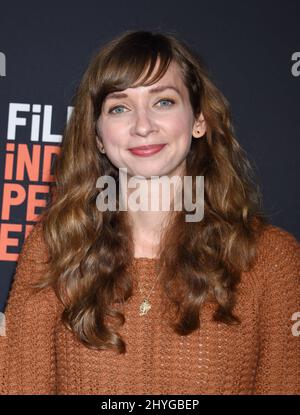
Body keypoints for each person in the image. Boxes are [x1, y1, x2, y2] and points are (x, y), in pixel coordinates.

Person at [0, 30, 299, 395]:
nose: (143, 126)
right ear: (97, 135)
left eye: (163, 102)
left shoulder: (270, 259)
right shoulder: (54, 249)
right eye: (120, 107)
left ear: (199, 119)